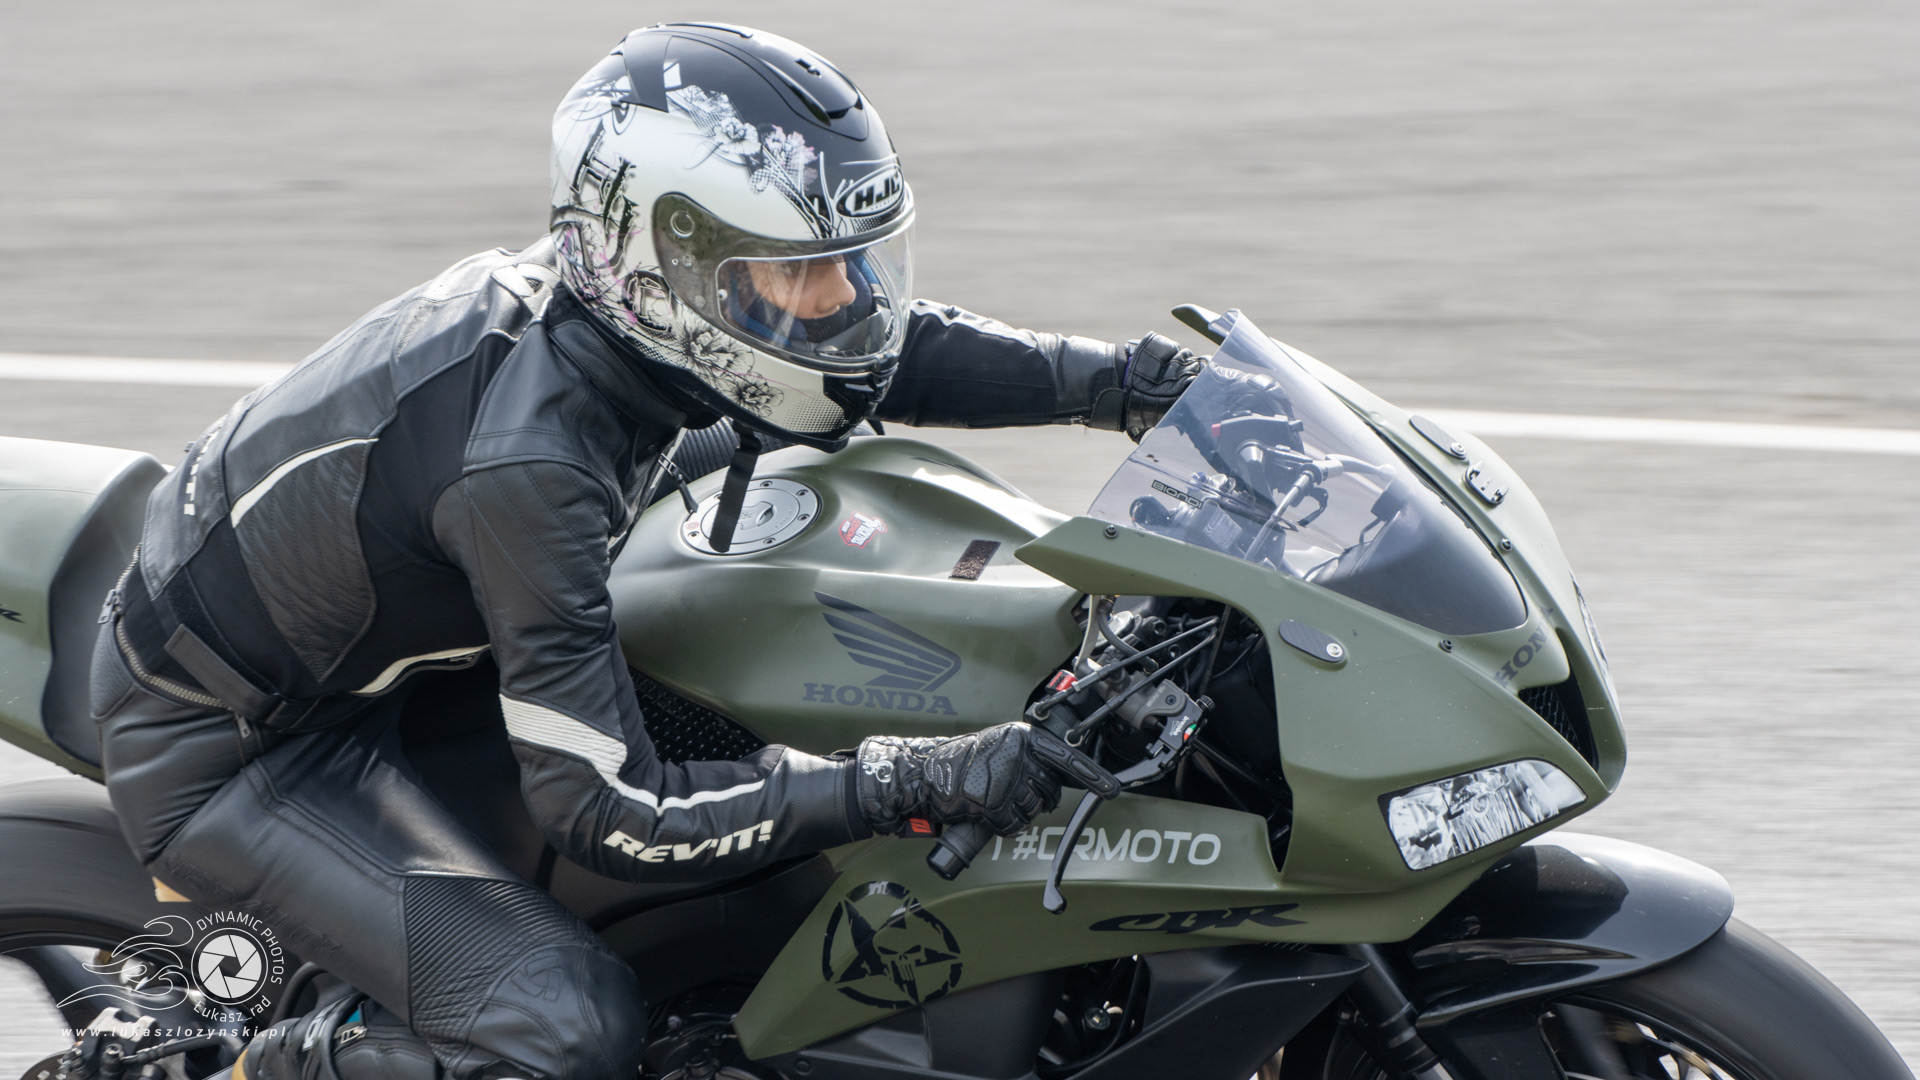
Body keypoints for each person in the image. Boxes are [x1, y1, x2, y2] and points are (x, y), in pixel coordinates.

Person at [87, 22, 1204, 1080]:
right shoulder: (534, 466)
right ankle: (261, 1063)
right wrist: (911, 777)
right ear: (665, 263)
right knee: (568, 1028)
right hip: (244, 743)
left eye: (850, 263)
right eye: (797, 274)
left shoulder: (629, 326)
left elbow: (864, 357)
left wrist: (1131, 384)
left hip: (392, 629)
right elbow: (611, 812)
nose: (840, 300)